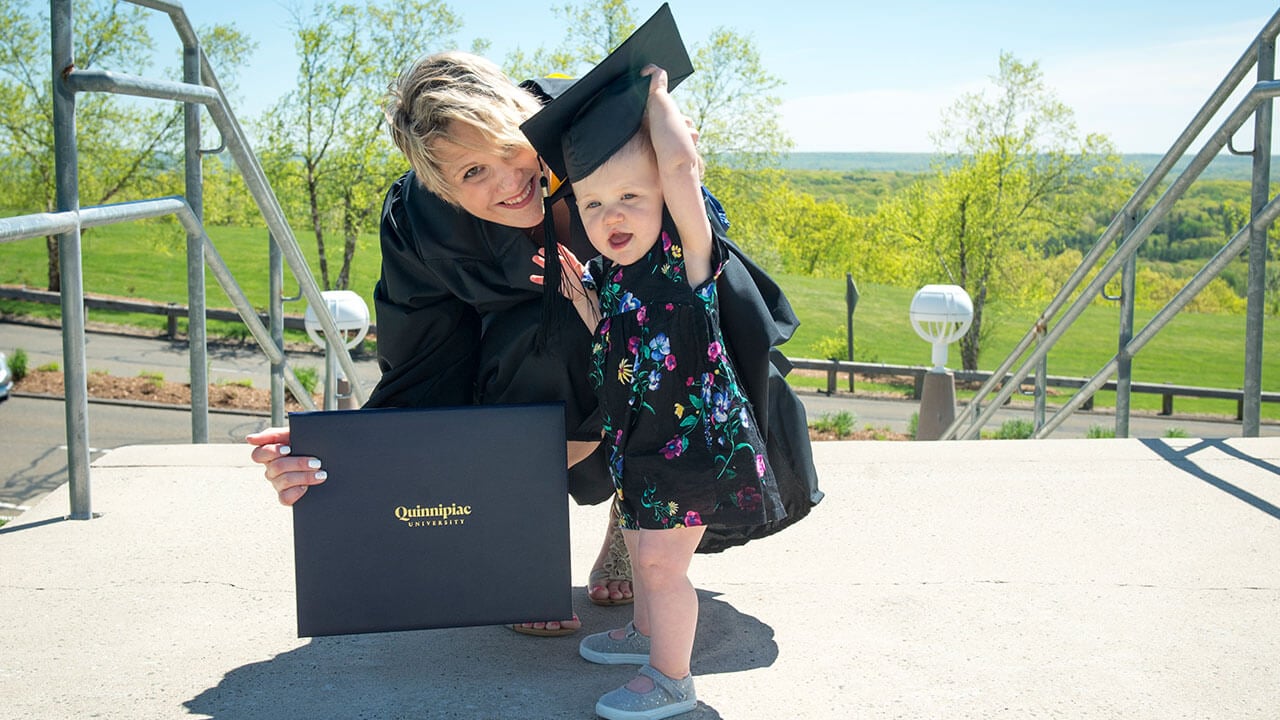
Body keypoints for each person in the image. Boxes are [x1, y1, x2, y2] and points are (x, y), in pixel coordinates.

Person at [521, 7, 789, 717]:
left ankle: (672, 677)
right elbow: (617, 340)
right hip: (640, 440)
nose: (612, 215)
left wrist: (657, 96)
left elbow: (679, 164)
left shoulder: (686, 254)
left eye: (632, 197)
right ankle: (645, 633)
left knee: (663, 564)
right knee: (642, 548)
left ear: (666, 200)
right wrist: (584, 302)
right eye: (593, 202)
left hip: (691, 444)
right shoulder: (613, 273)